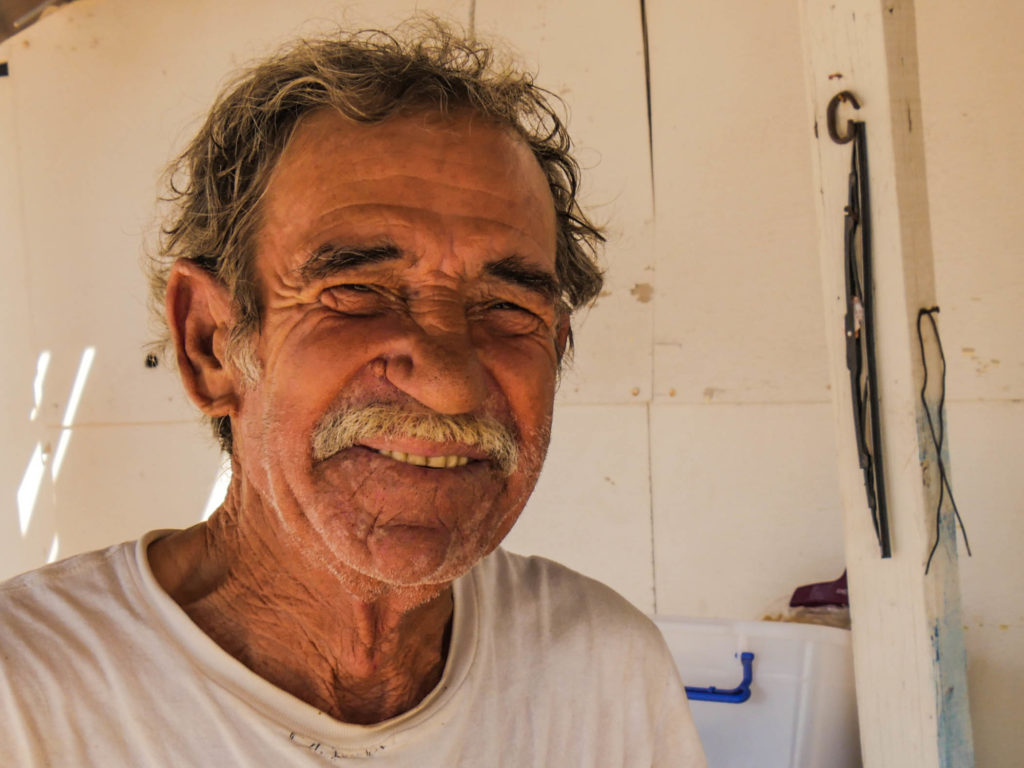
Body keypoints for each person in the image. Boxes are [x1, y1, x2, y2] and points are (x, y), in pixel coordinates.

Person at [0, 21, 705, 766]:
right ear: (208, 343)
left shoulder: (605, 674)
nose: (449, 381)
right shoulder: (27, 702)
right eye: (358, 291)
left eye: (507, 308)